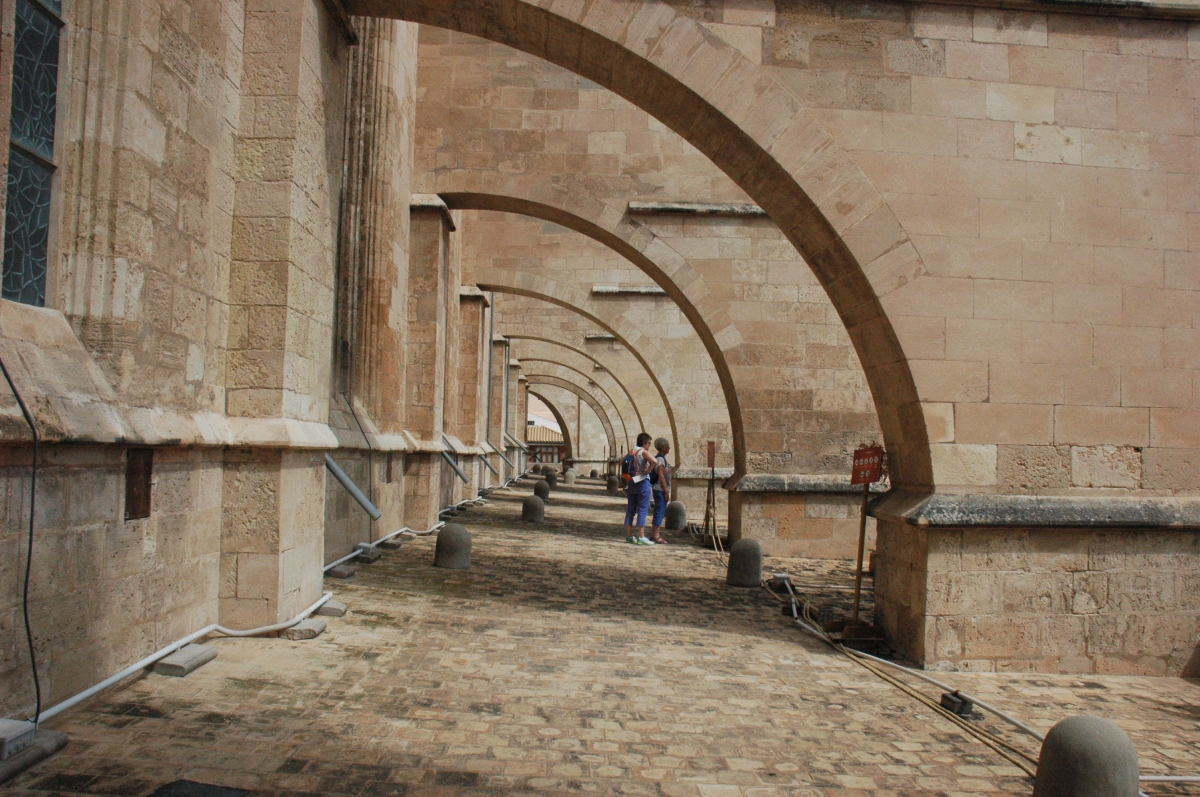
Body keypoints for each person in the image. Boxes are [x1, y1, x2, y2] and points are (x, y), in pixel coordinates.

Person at [623, 432, 655, 545]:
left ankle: (629, 535)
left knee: (631, 508)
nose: (650, 446)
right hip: (642, 482)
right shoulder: (643, 452)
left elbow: (621, 461)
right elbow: (654, 461)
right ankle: (641, 536)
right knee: (642, 509)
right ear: (644, 443)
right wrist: (648, 470)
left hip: (632, 482)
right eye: (649, 443)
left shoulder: (632, 451)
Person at [648, 438, 673, 544]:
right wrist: (666, 490)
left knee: (659, 511)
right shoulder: (661, 459)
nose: (669, 447)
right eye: (667, 445)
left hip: (658, 489)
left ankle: (655, 534)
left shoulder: (659, 458)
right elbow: (661, 476)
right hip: (660, 490)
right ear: (663, 447)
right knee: (660, 511)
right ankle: (656, 535)